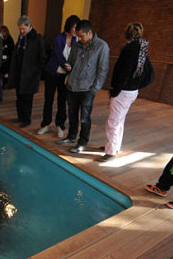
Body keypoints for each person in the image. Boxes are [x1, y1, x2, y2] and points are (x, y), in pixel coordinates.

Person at [97, 23, 150, 162]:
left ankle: (110, 152)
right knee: (119, 120)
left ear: (126, 33)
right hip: (132, 91)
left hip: (124, 91)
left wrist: (114, 91)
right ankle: (113, 146)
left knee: (113, 122)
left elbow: (123, 73)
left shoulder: (130, 50)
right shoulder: (142, 48)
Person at [57, 20, 109, 153]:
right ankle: (71, 137)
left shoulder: (102, 46)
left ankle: (82, 142)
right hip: (72, 86)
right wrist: (68, 66)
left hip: (87, 89)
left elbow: (102, 70)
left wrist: (95, 89)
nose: (78, 39)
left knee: (85, 118)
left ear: (89, 32)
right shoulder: (77, 45)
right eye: (77, 36)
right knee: (72, 114)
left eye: (81, 36)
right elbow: (71, 62)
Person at [38, 15, 80, 138]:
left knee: (62, 101)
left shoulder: (76, 39)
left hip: (64, 77)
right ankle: (45, 125)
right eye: (74, 28)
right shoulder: (58, 38)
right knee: (48, 100)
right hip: (52, 74)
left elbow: (75, 56)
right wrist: (66, 65)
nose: (75, 31)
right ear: (69, 26)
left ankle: (60, 126)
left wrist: (70, 67)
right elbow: (57, 55)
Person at [8, 15, 46, 128]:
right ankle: (20, 117)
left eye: (23, 29)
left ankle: (26, 119)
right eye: (20, 29)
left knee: (27, 100)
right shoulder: (20, 38)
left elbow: (42, 58)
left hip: (30, 76)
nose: (21, 31)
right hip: (19, 74)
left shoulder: (37, 39)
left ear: (29, 25)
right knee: (19, 98)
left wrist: (34, 72)